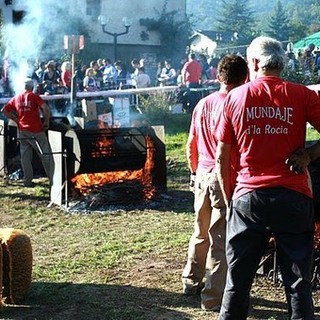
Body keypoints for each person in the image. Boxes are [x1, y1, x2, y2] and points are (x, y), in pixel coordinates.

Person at [215, 36, 320, 320]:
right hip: (294, 195)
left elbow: (222, 157)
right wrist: (309, 154)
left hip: (249, 197)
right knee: (299, 284)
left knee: (237, 282)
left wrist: (229, 200)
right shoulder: (302, 94)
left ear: (255, 63)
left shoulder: (234, 98)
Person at [181, 55, 248, 311]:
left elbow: (191, 145)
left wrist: (195, 173)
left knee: (199, 232)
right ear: (244, 78)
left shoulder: (202, 104)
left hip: (202, 174)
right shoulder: (237, 105)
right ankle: (212, 298)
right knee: (220, 239)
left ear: (219, 76)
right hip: (224, 177)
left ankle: (190, 281)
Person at [1, 79, 53, 187]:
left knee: (25, 157)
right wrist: (47, 122)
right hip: (36, 130)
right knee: (46, 154)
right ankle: (53, 180)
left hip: (23, 131)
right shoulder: (34, 96)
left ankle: (27, 181)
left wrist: (16, 120)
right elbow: (46, 108)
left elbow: (4, 110)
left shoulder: (16, 97)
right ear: (32, 87)